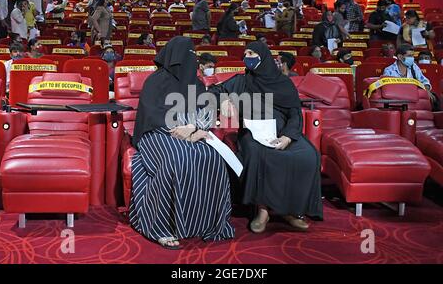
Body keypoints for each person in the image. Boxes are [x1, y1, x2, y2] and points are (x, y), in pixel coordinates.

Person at [130, 37, 235, 249]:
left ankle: (206, 223)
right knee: (177, 158)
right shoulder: (155, 81)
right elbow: (151, 116)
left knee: (213, 157)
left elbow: (203, 112)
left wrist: (196, 129)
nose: (191, 59)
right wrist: (180, 127)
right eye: (187, 55)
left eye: (192, 54)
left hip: (190, 133)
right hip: (157, 134)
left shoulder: (195, 83)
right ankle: (160, 226)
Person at [209, 41, 323, 233]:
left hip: (282, 131)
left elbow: (295, 113)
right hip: (253, 132)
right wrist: (225, 98)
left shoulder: (283, 83)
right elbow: (212, 92)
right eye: (245, 53)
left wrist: (287, 136)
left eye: (252, 53)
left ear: (264, 57)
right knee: (259, 154)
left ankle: (291, 210)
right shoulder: (241, 81)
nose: (247, 57)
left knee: (308, 155)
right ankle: (262, 211)